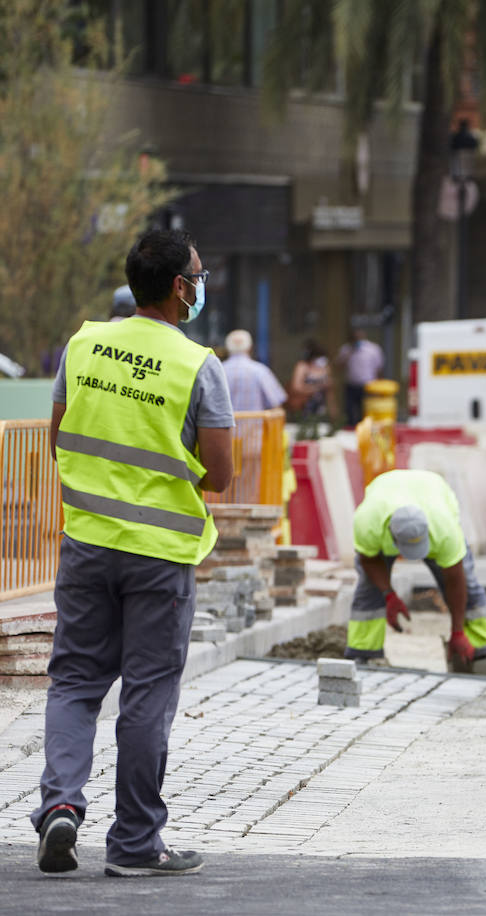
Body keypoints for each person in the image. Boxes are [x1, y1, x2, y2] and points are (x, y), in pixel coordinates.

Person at [35, 229, 235, 877]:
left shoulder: (84, 343)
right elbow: (222, 473)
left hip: (87, 543)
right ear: (180, 288)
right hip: (160, 553)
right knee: (147, 694)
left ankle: (61, 804)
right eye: (198, 276)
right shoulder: (199, 366)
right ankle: (133, 846)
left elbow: (59, 438)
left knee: (74, 681)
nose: (201, 286)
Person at [345, 469, 486, 671]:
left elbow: (456, 580)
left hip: (433, 490)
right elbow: (368, 560)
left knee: (469, 586)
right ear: (391, 535)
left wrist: (457, 632)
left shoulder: (445, 530)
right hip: (386, 488)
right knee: (369, 587)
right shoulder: (367, 522)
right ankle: (364, 655)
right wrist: (389, 595)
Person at [222, 329, 287, 413]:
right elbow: (276, 405)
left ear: (227, 348)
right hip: (256, 425)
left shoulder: (219, 370)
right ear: (250, 347)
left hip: (227, 426)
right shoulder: (260, 371)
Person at [336, 328, 386, 427]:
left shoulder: (373, 349)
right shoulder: (346, 349)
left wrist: (378, 386)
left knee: (365, 412)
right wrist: (349, 353)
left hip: (368, 385)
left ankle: (365, 432)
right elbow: (339, 366)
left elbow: (379, 368)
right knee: (349, 411)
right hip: (351, 384)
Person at [289, 339, 334, 423]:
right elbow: (296, 388)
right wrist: (317, 387)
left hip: (320, 410)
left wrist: (333, 411)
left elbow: (330, 393)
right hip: (304, 408)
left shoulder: (325, 368)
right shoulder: (302, 366)